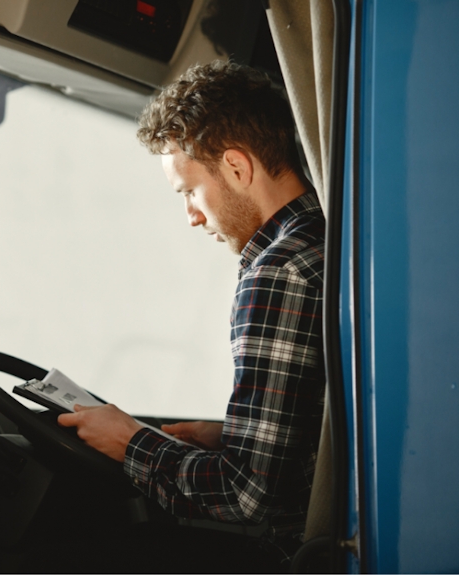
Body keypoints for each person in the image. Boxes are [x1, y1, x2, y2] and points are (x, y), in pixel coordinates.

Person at [58, 60, 326, 571]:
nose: (192, 216)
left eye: (189, 191)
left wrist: (129, 442)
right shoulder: (327, 238)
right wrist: (227, 435)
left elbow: (246, 497)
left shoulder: (278, 272)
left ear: (237, 168)